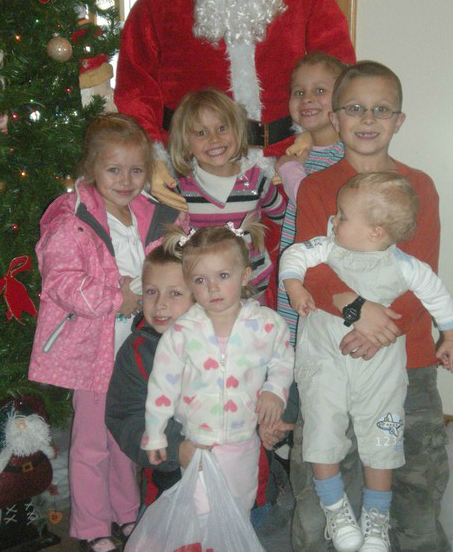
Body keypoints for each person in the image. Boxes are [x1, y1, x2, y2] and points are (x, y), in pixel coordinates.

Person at [290, 60, 453, 552]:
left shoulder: (419, 186)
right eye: (355, 108)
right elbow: (309, 268)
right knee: (318, 497)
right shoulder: (317, 188)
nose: (367, 118)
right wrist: (355, 310)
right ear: (335, 118)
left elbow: (423, 278)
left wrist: (379, 331)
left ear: (398, 121)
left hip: (408, 362)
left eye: (381, 109)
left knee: (416, 492)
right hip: (332, 358)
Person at [28, 114, 180, 552]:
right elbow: (60, 282)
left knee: (124, 432)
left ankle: (126, 513)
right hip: (93, 350)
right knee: (92, 442)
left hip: (136, 350)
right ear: (91, 168)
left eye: (136, 170)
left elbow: (168, 261)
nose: (126, 181)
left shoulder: (150, 214)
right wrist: (118, 298)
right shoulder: (71, 218)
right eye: (114, 170)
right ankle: (92, 525)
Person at [114, 0, 355, 151]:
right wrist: (152, 154)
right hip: (191, 162)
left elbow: (340, 74)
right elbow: (135, 86)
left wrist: (317, 135)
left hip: (286, 157)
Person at [142, 222, 294, 516]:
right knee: (202, 513)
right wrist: (156, 433)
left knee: (238, 510)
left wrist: (275, 390)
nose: (212, 288)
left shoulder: (267, 324)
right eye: (200, 280)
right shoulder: (183, 331)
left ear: (245, 275)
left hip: (243, 440)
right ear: (189, 283)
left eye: (223, 276)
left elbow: (283, 360)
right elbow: (162, 385)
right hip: (199, 444)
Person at [156, 88, 286, 299]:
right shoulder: (180, 189)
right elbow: (167, 240)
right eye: (201, 133)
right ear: (186, 143)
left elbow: (287, 219)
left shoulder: (256, 180)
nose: (214, 139)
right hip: (202, 295)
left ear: (238, 130)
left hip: (251, 292)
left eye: (222, 128)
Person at [105, 244, 195, 511]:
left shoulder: (228, 337)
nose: (160, 304)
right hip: (169, 486)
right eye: (151, 292)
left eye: (174, 293)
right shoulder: (137, 352)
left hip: (240, 481)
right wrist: (176, 448)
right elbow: (125, 417)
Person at [275, 52, 347, 345]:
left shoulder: (344, 155)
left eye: (319, 90)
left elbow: (311, 201)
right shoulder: (298, 153)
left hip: (326, 275)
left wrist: (288, 169)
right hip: (295, 270)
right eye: (299, 92)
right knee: (292, 344)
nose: (307, 99)